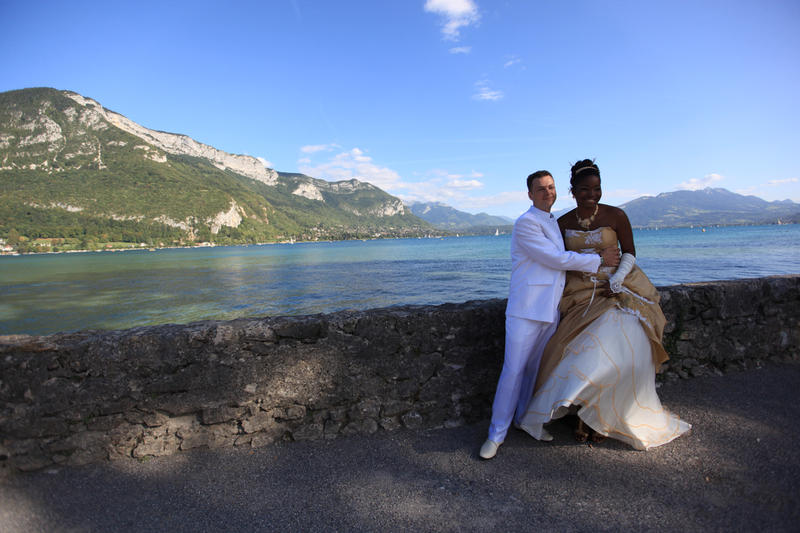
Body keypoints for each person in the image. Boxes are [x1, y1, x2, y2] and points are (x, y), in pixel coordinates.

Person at [517, 159, 691, 449]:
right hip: (582, 290)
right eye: (585, 189)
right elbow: (558, 260)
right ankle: (584, 411)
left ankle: (605, 415)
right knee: (582, 348)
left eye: (597, 189)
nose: (592, 195)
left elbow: (630, 252)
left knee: (626, 341)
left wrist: (617, 279)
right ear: (573, 191)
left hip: (618, 286)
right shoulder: (563, 223)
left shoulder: (616, 215)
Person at [479, 170, 620, 460]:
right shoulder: (526, 223)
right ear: (530, 194)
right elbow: (555, 259)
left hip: (550, 309)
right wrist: (598, 260)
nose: (548, 193)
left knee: (534, 372)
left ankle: (524, 420)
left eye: (551, 187)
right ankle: (495, 434)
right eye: (541, 189)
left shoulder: (552, 221)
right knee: (513, 372)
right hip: (526, 309)